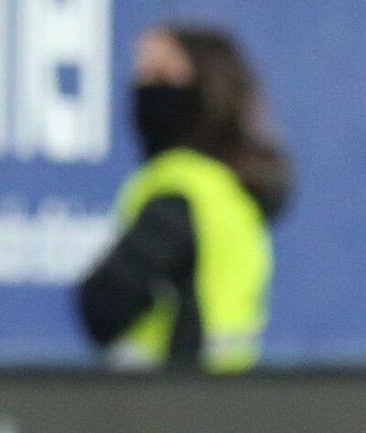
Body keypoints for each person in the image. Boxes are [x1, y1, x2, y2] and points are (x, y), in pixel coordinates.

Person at [76, 24, 288, 369]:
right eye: (140, 73)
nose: (145, 89)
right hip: (225, 403)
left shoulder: (180, 190)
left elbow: (106, 304)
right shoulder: (229, 189)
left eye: (160, 74)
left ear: (207, 87)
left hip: (165, 406)